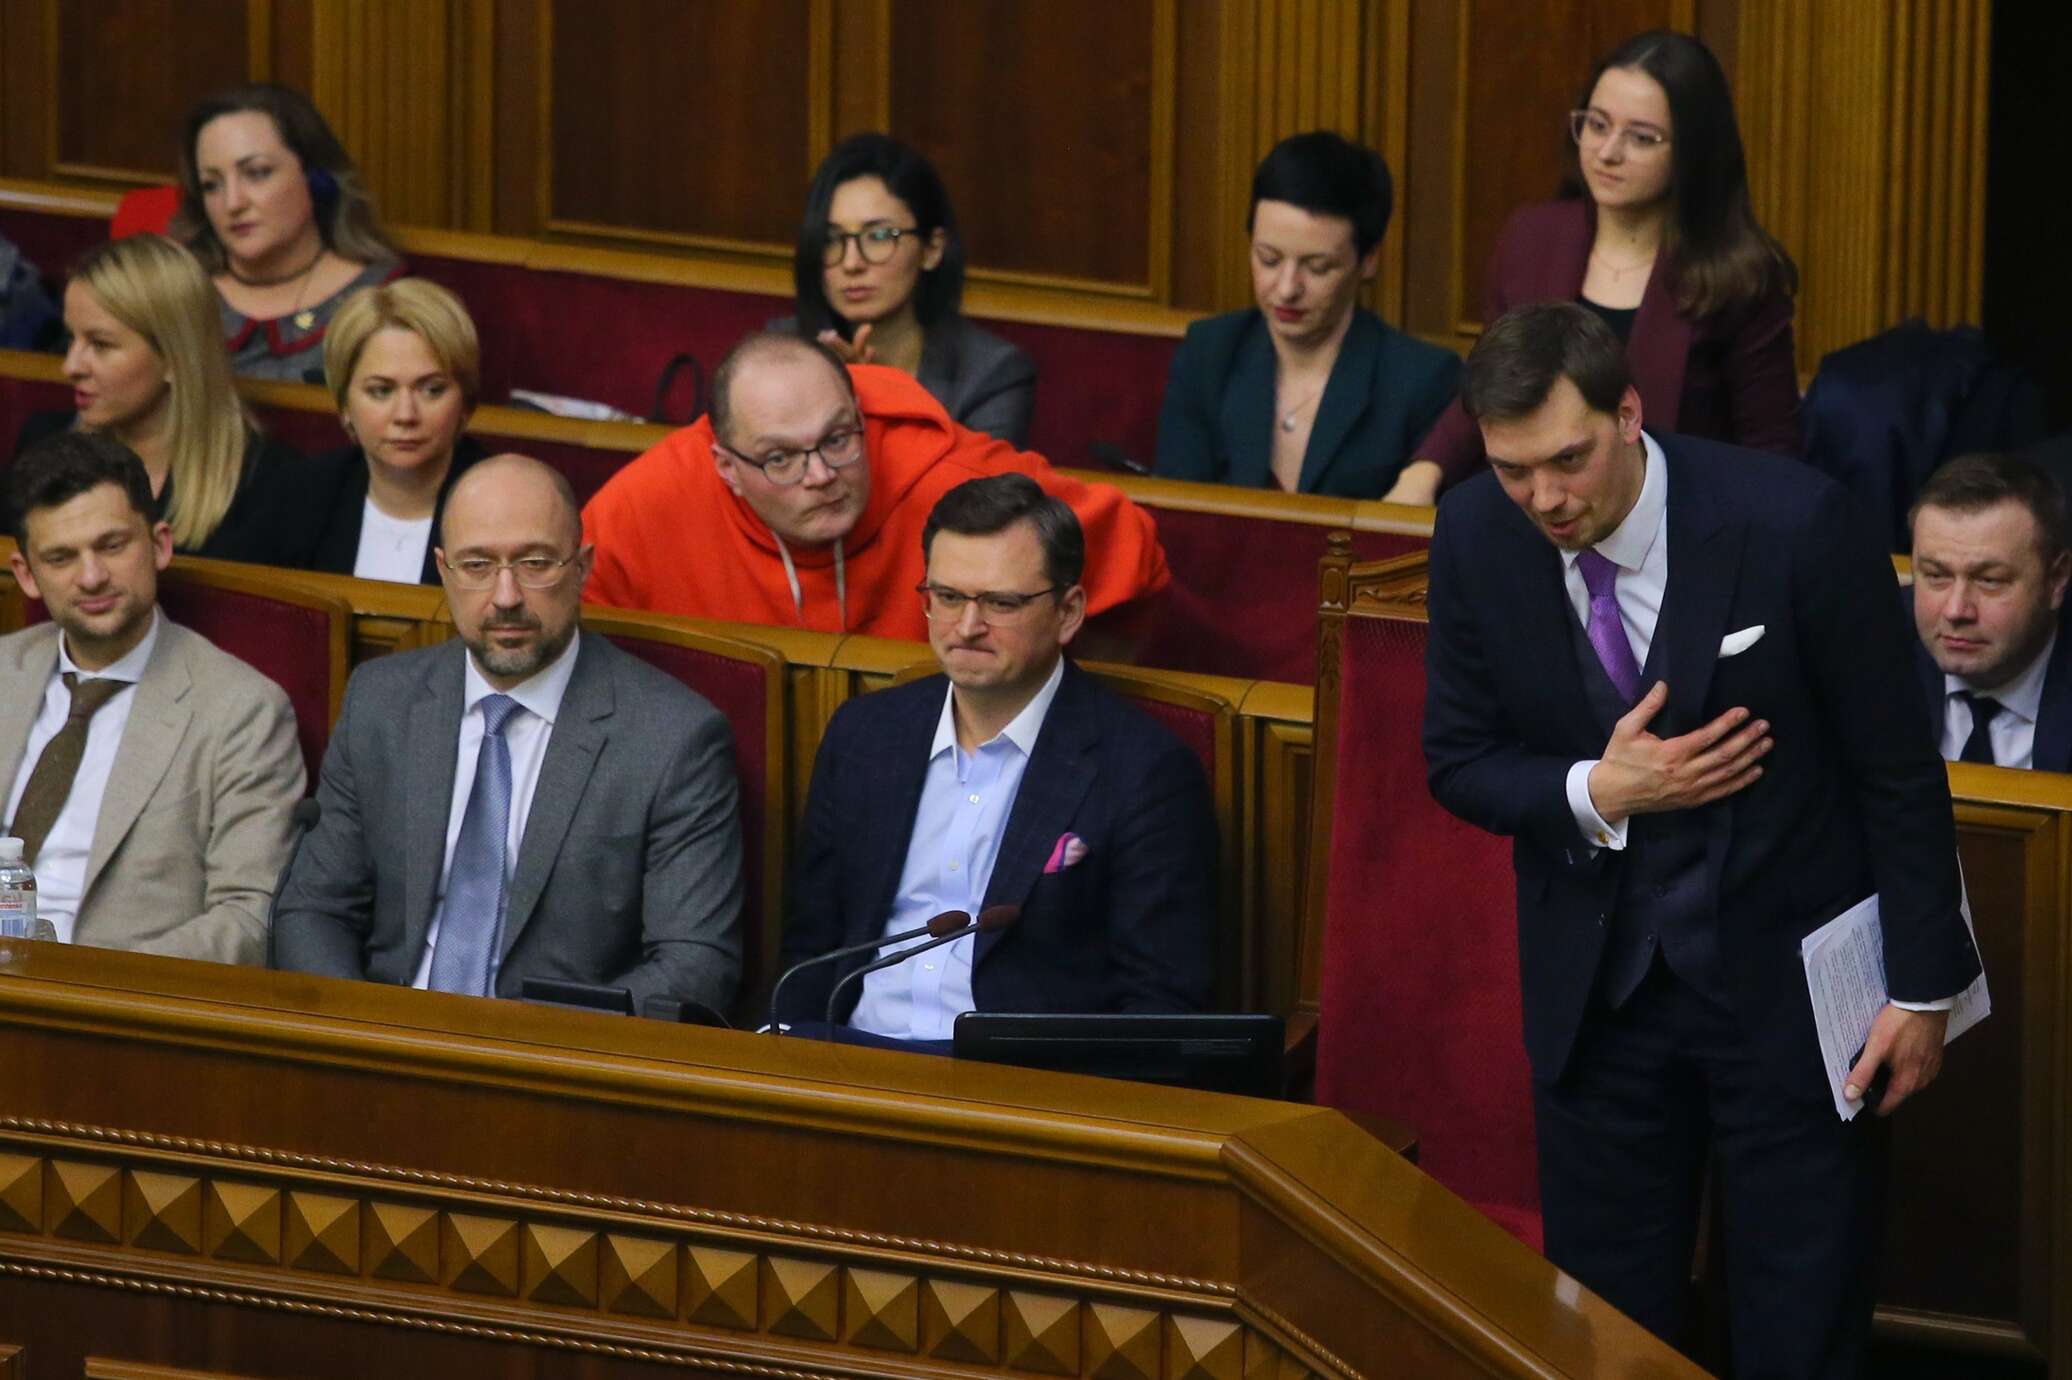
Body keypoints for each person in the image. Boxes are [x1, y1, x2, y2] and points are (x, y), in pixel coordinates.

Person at [1421, 303, 1978, 1375]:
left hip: (1793, 1000)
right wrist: (1600, 789)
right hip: (1600, 1003)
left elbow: (1897, 771)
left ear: (1628, 414)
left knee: (1798, 1325)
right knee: (1604, 1333)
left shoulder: (1796, 521)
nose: (1544, 499)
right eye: (1511, 470)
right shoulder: (1475, 535)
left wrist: (1922, 991)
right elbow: (1458, 759)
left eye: (1568, 460)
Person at [273, 454, 744, 1012]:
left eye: (535, 563)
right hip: (384, 1032)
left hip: (556, 1051)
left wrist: (524, 1045)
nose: (505, 597)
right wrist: (361, 1029)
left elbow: (694, 965)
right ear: (444, 570)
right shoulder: (383, 701)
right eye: (477, 565)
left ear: (583, 566)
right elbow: (314, 909)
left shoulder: (673, 738)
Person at [775, 474, 1216, 1036]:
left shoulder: (1144, 771)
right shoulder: (865, 735)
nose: (967, 627)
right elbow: (811, 950)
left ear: (1068, 612)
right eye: (947, 597)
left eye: (1000, 603)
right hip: (850, 1055)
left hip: (1011, 1076)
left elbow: (1161, 1003)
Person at [1411, 30, 1801, 503]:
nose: (1608, 152)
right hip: (1538, 506)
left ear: (1692, 150)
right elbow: (1489, 385)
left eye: (1641, 138)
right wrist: (1424, 471)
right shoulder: (1532, 237)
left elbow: (1771, 451)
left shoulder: (1742, 276)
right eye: (1597, 125)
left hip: (1677, 518)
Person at [582, 332, 1167, 643]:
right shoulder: (648, 502)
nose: (821, 475)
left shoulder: (948, 474)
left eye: (838, 439)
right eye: (780, 458)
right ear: (726, 466)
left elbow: (1133, 550)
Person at [0, 431, 303, 964]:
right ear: (26, 574)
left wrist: (95, 979)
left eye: (112, 546)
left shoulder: (243, 710)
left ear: (160, 545)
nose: (92, 576)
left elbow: (249, 918)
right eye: (62, 557)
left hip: (112, 997)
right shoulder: (6, 669)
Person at [1154, 131, 1460, 500]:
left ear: (1368, 260)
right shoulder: (1210, 353)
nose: (1286, 289)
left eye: (1317, 267)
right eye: (1269, 259)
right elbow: (1179, 508)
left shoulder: (1421, 380)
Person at [8, 234, 316, 564]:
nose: (71, 366)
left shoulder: (268, 481)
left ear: (174, 358)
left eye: (100, 344)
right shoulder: (43, 444)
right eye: (71, 338)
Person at [772, 133, 1035, 446]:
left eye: (879, 236)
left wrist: (877, 401)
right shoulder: (778, 353)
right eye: (832, 239)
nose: (852, 263)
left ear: (932, 249)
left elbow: (973, 479)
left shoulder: (991, 376)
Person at [170, 83, 403, 383]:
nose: (233, 203)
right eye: (211, 185)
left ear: (316, 178)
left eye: (257, 173)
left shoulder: (382, 299)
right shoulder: (174, 293)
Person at [298, 279, 489, 584]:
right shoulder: (300, 494)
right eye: (381, 391)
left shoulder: (502, 505)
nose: (405, 415)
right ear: (344, 403)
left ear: (465, 401)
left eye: (432, 390)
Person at [1909, 452, 2072, 770]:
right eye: (1936, 575)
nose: (1956, 610)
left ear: (2056, 580)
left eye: (1990, 580)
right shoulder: (1866, 649)